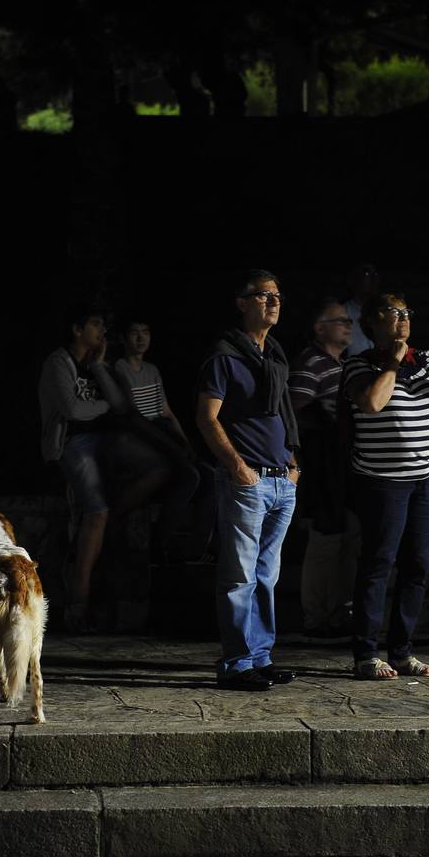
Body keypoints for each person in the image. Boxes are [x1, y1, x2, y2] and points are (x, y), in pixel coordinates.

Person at [343, 292, 429, 679]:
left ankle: (401, 650)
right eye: (395, 313)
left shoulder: (426, 359)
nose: (404, 319)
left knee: (417, 565)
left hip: (426, 477)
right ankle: (366, 653)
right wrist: (394, 362)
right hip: (382, 482)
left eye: (407, 313)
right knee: (378, 564)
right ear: (374, 323)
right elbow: (373, 404)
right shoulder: (358, 365)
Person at [195, 270, 302, 691]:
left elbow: (282, 416)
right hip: (249, 481)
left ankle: (259, 656)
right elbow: (206, 418)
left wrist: (293, 463)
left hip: (280, 480)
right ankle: (237, 664)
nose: (273, 302)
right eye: (262, 295)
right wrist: (238, 467)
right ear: (242, 302)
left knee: (266, 576)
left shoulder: (273, 355)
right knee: (239, 575)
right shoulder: (225, 356)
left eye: (277, 295)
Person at [38, 304, 170, 629]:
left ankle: (114, 514)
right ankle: (78, 603)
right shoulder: (59, 362)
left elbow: (121, 404)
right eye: (95, 325)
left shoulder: (96, 363)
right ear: (77, 329)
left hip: (104, 441)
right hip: (72, 442)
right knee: (96, 511)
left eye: (102, 327)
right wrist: (103, 407)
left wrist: (98, 369)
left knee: (160, 466)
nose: (101, 333)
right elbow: (71, 410)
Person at [288, 298, 358, 638]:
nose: (348, 325)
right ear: (320, 328)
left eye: (348, 320)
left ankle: (338, 611)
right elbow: (294, 413)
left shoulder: (342, 363)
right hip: (322, 465)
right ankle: (317, 615)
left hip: (342, 464)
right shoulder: (310, 363)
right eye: (340, 320)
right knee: (325, 539)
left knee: (346, 538)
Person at [112, 317, 205, 561]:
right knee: (190, 475)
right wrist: (175, 449)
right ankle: (159, 545)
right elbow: (135, 416)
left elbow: (166, 412)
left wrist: (185, 443)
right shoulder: (120, 368)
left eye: (145, 332)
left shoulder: (152, 370)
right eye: (134, 332)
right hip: (144, 436)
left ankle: (198, 550)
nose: (141, 338)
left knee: (210, 478)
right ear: (123, 338)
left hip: (163, 432)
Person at [341, 263, 379, 358]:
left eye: (375, 274)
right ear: (352, 280)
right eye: (367, 273)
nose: (373, 278)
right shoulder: (342, 311)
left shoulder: (383, 309)